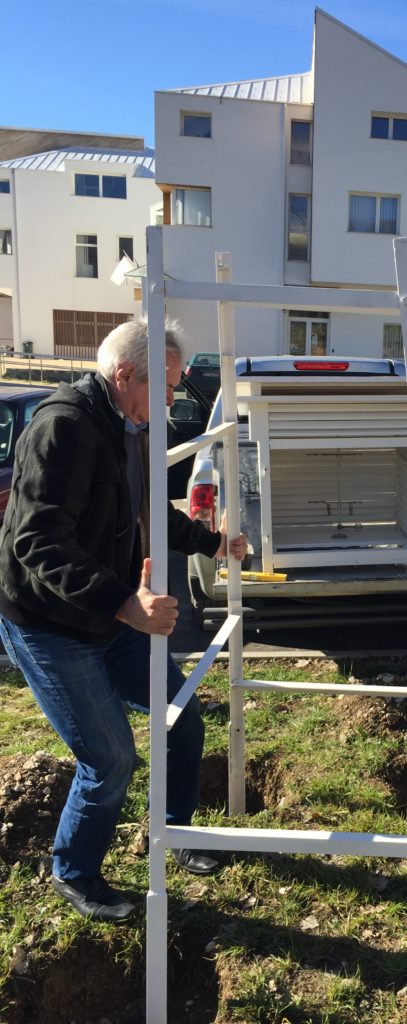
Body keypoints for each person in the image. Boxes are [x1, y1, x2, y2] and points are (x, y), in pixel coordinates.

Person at [0, 319, 247, 921]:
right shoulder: (63, 428)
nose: (170, 398)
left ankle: (173, 834)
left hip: (108, 616)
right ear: (125, 374)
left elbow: (145, 509)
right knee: (110, 758)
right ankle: (75, 870)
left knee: (181, 715)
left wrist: (210, 542)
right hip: (50, 624)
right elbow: (38, 542)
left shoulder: (128, 427)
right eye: (164, 385)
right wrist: (124, 602)